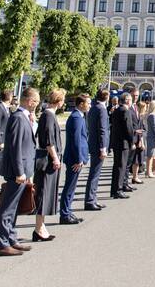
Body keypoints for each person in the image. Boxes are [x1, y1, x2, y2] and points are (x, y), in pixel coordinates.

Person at [0, 86, 38, 257]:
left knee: (13, 209)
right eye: (36, 101)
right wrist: (20, 172)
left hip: (23, 170)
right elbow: (15, 147)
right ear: (29, 101)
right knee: (7, 209)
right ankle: (2, 244)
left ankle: (11, 239)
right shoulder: (19, 118)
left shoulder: (25, 117)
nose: (37, 104)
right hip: (16, 172)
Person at [33, 88, 64, 242]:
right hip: (48, 161)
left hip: (49, 160)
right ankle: (39, 228)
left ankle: (41, 226)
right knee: (43, 194)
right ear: (59, 102)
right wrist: (55, 158)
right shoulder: (49, 116)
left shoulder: (48, 115)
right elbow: (49, 141)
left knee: (46, 193)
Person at [60, 93, 90, 225]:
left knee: (71, 186)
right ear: (81, 104)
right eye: (88, 103)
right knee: (69, 187)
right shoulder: (77, 117)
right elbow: (76, 140)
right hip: (74, 158)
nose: (90, 105)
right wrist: (79, 159)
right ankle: (65, 213)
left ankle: (68, 211)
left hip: (75, 157)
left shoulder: (79, 116)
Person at [85, 88, 109, 211]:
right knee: (95, 174)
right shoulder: (102, 109)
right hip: (98, 146)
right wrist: (103, 148)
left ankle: (93, 198)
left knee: (94, 173)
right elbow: (102, 130)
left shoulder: (93, 108)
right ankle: (90, 200)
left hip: (93, 144)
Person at [109, 92, 132, 200]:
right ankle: (118, 189)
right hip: (123, 143)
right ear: (127, 100)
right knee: (121, 167)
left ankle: (115, 190)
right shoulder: (125, 110)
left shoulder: (117, 110)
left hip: (117, 142)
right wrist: (132, 140)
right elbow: (128, 128)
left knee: (117, 166)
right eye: (130, 99)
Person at [145, 99, 155, 178]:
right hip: (152, 136)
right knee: (150, 155)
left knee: (152, 155)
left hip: (152, 136)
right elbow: (154, 127)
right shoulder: (152, 116)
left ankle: (149, 171)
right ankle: (148, 171)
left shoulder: (152, 115)